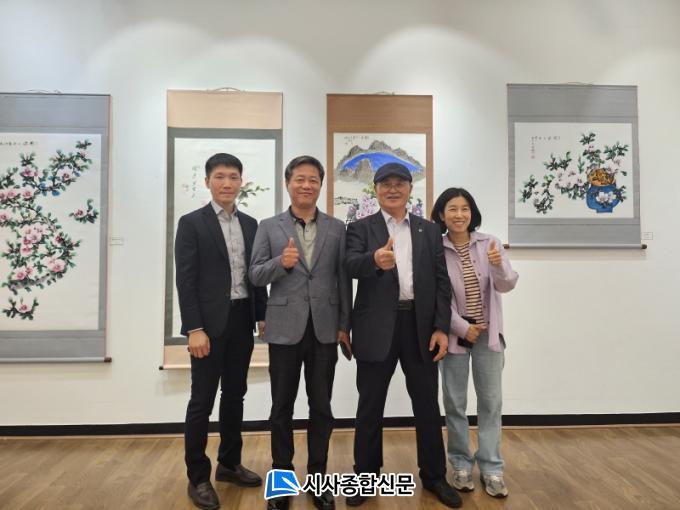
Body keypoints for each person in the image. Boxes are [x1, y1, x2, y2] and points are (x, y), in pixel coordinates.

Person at [345, 162, 462, 509]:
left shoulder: (429, 230)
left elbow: (441, 282)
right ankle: (365, 477)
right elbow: (349, 265)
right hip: (375, 327)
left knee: (426, 405)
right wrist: (373, 260)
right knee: (369, 406)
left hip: (420, 327)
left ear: (410, 189)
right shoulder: (360, 228)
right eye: (386, 184)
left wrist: (441, 327)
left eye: (400, 183)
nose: (393, 189)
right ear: (376, 189)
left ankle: (434, 476)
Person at [249, 155, 351, 510]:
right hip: (284, 329)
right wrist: (281, 263)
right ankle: (282, 482)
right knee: (281, 408)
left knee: (321, 407)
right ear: (288, 183)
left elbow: (343, 280)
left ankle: (319, 480)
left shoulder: (337, 228)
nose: (306, 185)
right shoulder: (268, 226)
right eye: (300, 179)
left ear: (321, 185)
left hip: (324, 329)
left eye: (313, 180)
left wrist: (344, 325)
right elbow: (255, 274)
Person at [175, 153, 267, 510]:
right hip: (208, 327)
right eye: (219, 176)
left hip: (242, 320)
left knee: (235, 396)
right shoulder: (191, 223)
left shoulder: (251, 224)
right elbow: (186, 280)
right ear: (207, 182)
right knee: (202, 400)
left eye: (233, 177)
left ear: (241, 182)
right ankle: (198, 476)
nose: (227, 183)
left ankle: (229, 463)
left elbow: (256, 274)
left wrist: (262, 315)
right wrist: (194, 328)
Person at [430, 187, 518, 499]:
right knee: (454, 403)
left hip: (489, 337)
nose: (459, 215)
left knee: (491, 402)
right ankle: (460, 464)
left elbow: (506, 284)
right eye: (452, 209)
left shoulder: (489, 243)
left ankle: (492, 468)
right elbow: (436, 296)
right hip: (456, 336)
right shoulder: (436, 248)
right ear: (442, 215)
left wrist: (497, 264)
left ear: (472, 213)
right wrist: (462, 327)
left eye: (464, 208)